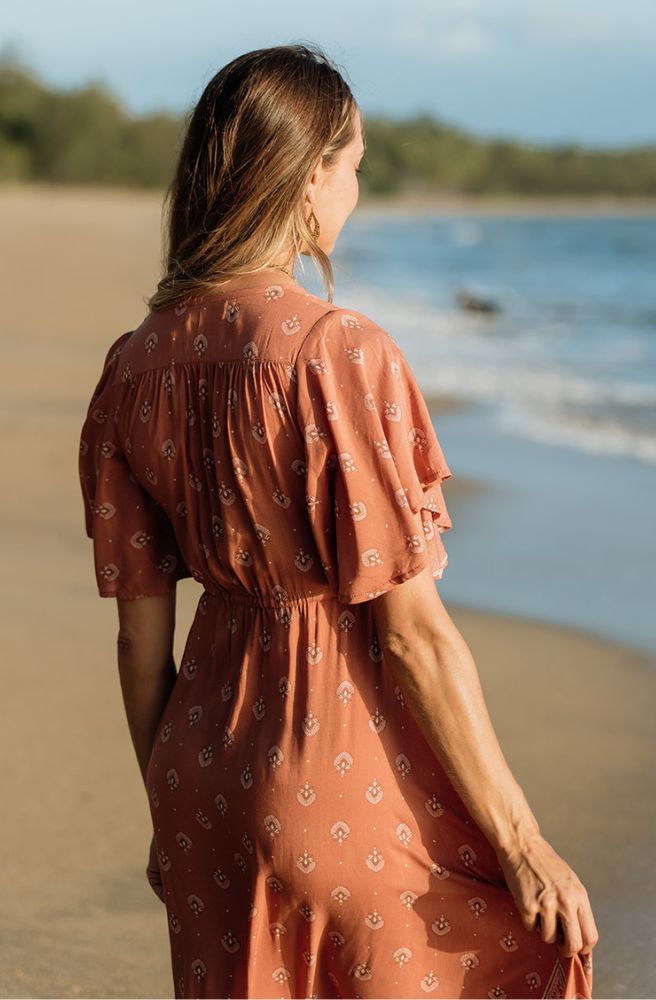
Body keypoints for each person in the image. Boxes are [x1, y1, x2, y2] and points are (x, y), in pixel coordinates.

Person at [78, 42, 598, 1000]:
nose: (355, 189)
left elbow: (137, 646)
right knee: (523, 951)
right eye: (353, 166)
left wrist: (170, 804)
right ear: (310, 176)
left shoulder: (134, 365)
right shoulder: (334, 353)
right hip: (334, 772)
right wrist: (524, 844)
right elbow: (414, 639)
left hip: (198, 769)